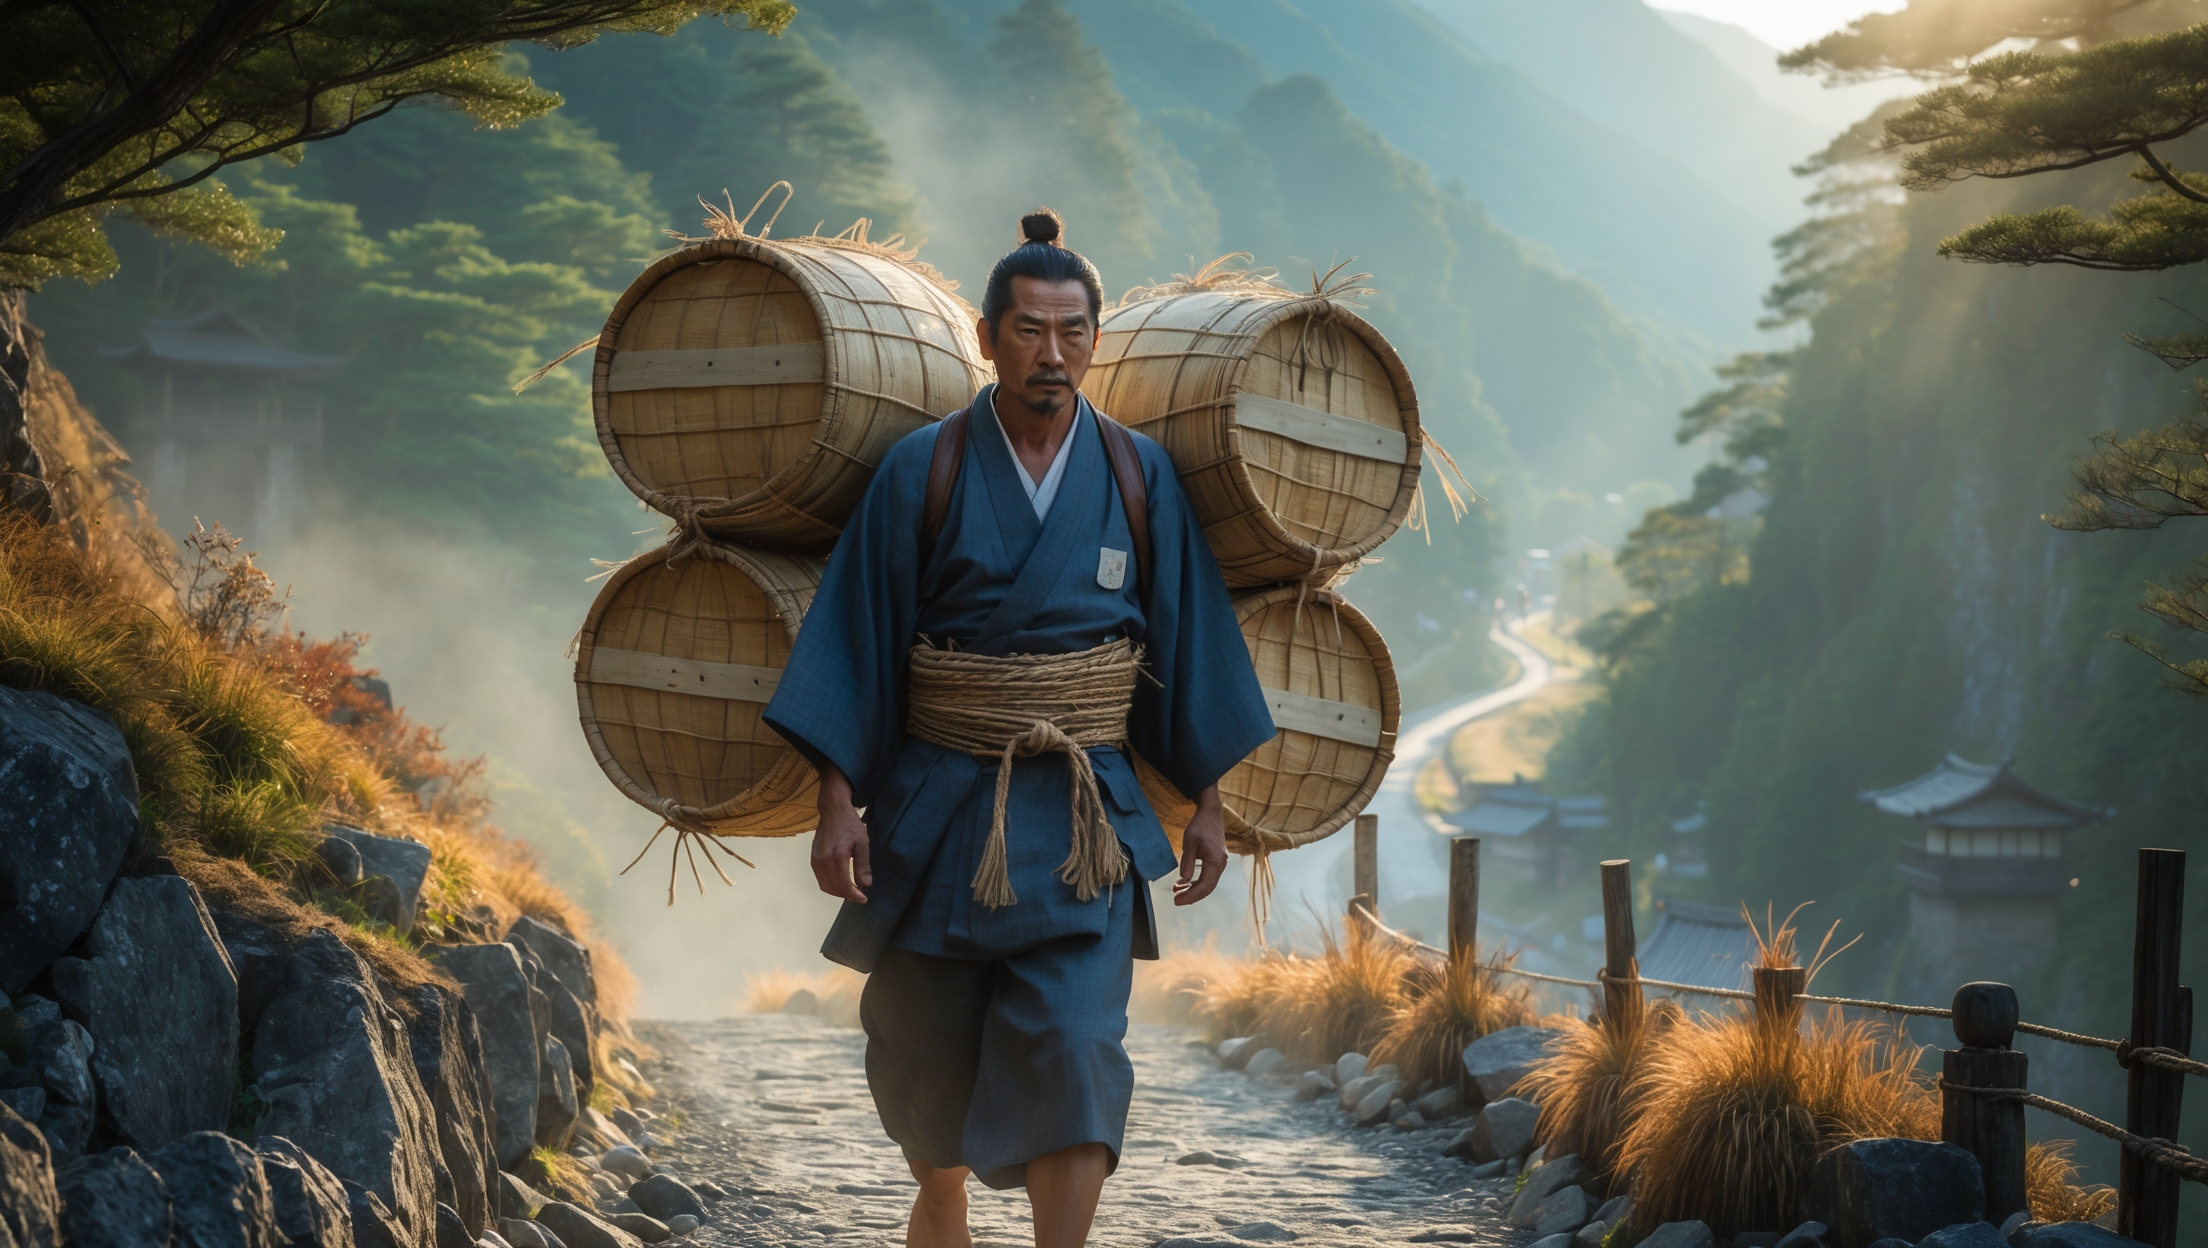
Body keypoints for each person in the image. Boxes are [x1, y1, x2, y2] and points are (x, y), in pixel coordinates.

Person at [763, 209, 1275, 1248]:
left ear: (1095, 340)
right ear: (989, 338)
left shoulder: (1136, 476)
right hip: (940, 808)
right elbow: (855, 638)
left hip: (1086, 818)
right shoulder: (925, 469)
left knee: (1080, 1047)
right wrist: (834, 806)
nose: (1053, 355)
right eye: (1031, 331)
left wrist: (1211, 804)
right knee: (920, 1047)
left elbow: (1187, 636)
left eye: (1073, 331)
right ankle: (940, 1189)